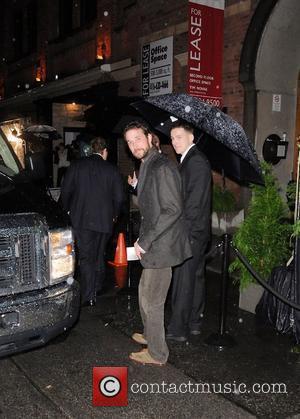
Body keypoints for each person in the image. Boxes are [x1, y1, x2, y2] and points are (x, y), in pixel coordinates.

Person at [123, 121, 192, 366]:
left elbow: (173, 209)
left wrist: (146, 240)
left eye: (137, 139)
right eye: (129, 142)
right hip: (152, 242)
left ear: (150, 137)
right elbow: (152, 202)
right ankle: (150, 333)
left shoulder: (162, 166)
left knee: (152, 300)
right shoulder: (147, 165)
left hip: (161, 244)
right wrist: (137, 187)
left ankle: (157, 353)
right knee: (144, 293)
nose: (134, 146)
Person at [61, 137, 124, 307]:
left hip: (81, 219)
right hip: (104, 220)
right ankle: (96, 287)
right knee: (99, 254)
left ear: (91, 149)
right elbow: (119, 198)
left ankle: (89, 295)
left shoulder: (77, 166)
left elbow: (66, 191)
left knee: (87, 257)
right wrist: (114, 215)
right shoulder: (111, 169)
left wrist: (65, 210)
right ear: (105, 152)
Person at [167, 120, 211, 342]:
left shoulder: (196, 162)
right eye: (172, 138)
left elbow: (194, 203)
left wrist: (182, 233)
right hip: (196, 231)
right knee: (194, 277)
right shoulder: (190, 160)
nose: (174, 142)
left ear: (191, 137)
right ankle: (194, 322)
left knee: (184, 280)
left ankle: (178, 329)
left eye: (179, 137)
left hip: (190, 232)